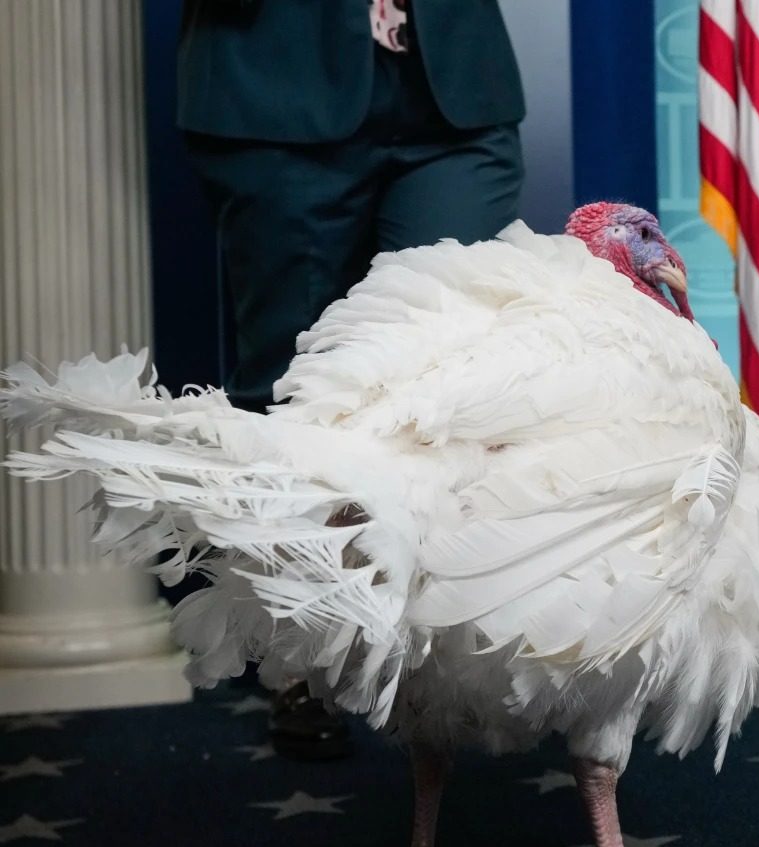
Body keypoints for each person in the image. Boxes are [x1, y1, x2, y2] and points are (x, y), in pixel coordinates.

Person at [177, 0, 526, 758]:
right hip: (274, 87)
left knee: (452, 374)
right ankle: (296, 648)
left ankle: (445, 652)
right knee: (294, 387)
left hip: (453, 91)